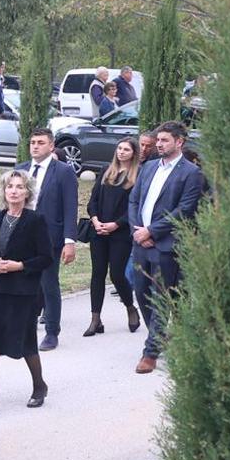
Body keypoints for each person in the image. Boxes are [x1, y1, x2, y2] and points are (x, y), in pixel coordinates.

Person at [0, 171, 52, 416]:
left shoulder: (35, 220)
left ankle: (39, 386)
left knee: (26, 342)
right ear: (4, 191)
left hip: (22, 291)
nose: (14, 191)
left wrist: (20, 265)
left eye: (19, 187)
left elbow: (46, 257)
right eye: (10, 186)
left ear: (27, 192)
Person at [130, 121, 204, 374]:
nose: (158, 144)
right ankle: (159, 337)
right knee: (141, 293)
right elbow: (134, 200)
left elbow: (184, 211)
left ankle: (150, 353)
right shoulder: (149, 167)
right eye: (158, 140)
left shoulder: (191, 173)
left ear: (179, 142)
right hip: (140, 242)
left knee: (161, 296)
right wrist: (138, 231)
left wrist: (152, 231)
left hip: (166, 245)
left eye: (164, 140)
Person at [16, 129, 77, 350]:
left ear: (51, 146)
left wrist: (70, 240)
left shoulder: (63, 172)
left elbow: (70, 206)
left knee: (48, 284)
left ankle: (52, 331)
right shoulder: (21, 169)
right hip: (23, 235)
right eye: (32, 142)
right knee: (23, 281)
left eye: (40, 143)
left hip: (49, 236)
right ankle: (25, 324)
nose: (35, 146)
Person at [85, 139, 140, 336]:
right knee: (97, 274)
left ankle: (130, 307)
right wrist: (96, 220)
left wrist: (116, 224)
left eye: (126, 149)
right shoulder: (106, 170)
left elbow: (135, 207)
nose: (122, 152)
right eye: (119, 148)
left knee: (117, 274)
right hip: (99, 231)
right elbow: (93, 201)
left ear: (134, 153)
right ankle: (95, 319)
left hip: (120, 233)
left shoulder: (138, 175)